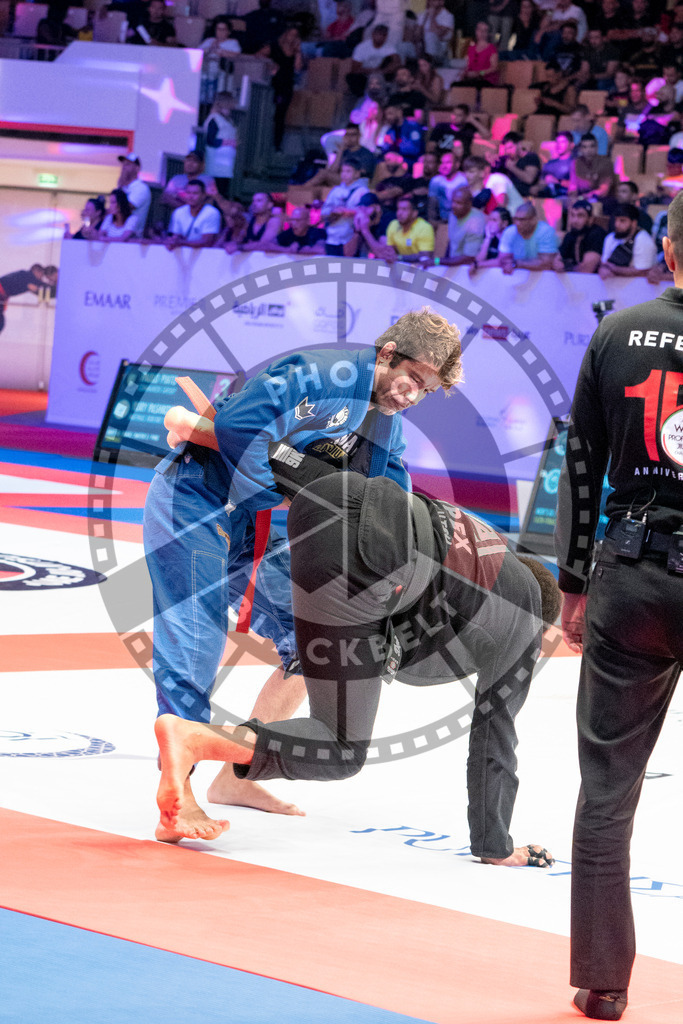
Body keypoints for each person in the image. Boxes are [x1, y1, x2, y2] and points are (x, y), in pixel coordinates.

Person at [144, 310, 463, 840]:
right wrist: (303, 484)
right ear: (386, 353)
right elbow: (234, 427)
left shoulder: (386, 426)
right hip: (195, 499)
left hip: (262, 523)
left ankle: (236, 775)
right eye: (413, 379)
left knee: (310, 642)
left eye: (425, 391)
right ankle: (177, 800)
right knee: (196, 643)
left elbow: (386, 497)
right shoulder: (318, 372)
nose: (412, 395)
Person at [154, 465, 561, 875]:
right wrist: (495, 844)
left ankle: (230, 776)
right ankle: (196, 738)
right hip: (374, 561)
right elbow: (496, 732)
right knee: (342, 747)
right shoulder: (524, 613)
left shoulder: (484, 543)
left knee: (315, 657)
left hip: (325, 505)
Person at [554, 188, 683, 1024]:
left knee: (607, 789)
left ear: (668, 251)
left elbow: (579, 462)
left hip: (632, 575)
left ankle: (603, 983)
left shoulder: (616, 331)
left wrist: (571, 583)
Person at [320, 157, 370, 255]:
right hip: (332, 237)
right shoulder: (336, 190)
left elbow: (365, 212)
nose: (344, 174)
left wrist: (344, 212)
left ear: (357, 173)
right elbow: (324, 212)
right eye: (342, 171)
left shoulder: (363, 191)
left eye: (348, 171)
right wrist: (332, 213)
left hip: (350, 238)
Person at [264, 25, 303, 150]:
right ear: (285, 34)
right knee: (268, 113)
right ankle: (264, 143)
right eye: (291, 34)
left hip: (286, 86)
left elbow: (298, 68)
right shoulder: (274, 46)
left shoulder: (296, 51)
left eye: (295, 35)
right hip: (273, 85)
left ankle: (276, 145)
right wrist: (270, 65)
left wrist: (298, 52)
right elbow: (258, 56)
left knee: (280, 116)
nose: (292, 38)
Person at [598, 202, 657, 279]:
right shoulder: (610, 237)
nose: (617, 224)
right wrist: (603, 270)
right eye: (616, 220)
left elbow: (643, 271)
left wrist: (613, 269)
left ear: (634, 223)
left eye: (622, 221)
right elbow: (604, 264)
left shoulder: (644, 240)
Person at [497, 202, 559, 273]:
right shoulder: (509, 232)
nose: (518, 223)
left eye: (522, 220)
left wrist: (516, 263)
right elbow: (502, 260)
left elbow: (546, 264)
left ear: (533, 220)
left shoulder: (546, 232)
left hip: (545, 279)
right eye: (516, 219)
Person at [164, 180, 222, 250]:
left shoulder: (212, 213)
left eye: (195, 193)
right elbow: (176, 236)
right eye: (188, 193)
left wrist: (180, 242)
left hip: (205, 255)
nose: (191, 196)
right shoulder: (178, 212)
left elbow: (207, 242)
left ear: (203, 195)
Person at [552, 199, 606, 273]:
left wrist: (565, 269)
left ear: (590, 218)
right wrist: (558, 264)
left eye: (580, 216)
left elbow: (587, 268)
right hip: (573, 279)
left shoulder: (597, 234)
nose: (575, 220)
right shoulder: (570, 235)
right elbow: (557, 259)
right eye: (573, 215)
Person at [203, 92, 238, 198]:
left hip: (226, 164)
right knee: (217, 190)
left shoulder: (228, 120)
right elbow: (210, 140)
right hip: (216, 163)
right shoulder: (214, 119)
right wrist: (227, 142)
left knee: (223, 190)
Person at [442, 187, 486, 266]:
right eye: (453, 201)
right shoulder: (453, 214)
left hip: (467, 270)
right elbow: (451, 242)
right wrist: (443, 261)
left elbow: (469, 258)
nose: (453, 206)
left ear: (469, 204)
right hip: (451, 264)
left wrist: (437, 261)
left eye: (458, 203)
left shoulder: (475, 221)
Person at [0, 265, 50, 334]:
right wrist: (52, 285)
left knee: (1, 321)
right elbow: (41, 286)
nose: (41, 277)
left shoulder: (24, 275)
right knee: (1, 322)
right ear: (36, 271)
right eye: (41, 274)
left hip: (2, 295)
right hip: (1, 294)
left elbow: (37, 287)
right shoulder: (29, 276)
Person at [568, 134, 616, 204]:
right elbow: (573, 185)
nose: (588, 150)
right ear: (580, 149)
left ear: (597, 148)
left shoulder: (606, 163)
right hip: (580, 198)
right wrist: (572, 193)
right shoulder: (575, 163)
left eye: (592, 146)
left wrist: (588, 195)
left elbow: (604, 190)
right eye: (585, 147)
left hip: (601, 200)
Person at [386, 194, 435, 261]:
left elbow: (425, 256)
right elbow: (390, 251)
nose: (399, 213)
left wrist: (399, 257)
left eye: (404, 209)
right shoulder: (393, 224)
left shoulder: (424, 227)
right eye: (398, 209)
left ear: (414, 213)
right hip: (400, 266)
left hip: (420, 267)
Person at [493, 133, 542, 198]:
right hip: (508, 194)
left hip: (524, 195)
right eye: (506, 149)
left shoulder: (530, 157)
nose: (508, 152)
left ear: (519, 145)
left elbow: (529, 179)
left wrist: (512, 168)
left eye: (510, 148)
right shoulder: (506, 158)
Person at [377, 103, 425, 169]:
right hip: (392, 159)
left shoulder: (412, 127)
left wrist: (395, 146)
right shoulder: (390, 130)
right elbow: (385, 148)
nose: (388, 117)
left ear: (400, 112)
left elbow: (416, 149)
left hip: (410, 160)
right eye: (386, 115)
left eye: (390, 114)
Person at [350, 191, 396, 258]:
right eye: (361, 208)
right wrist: (357, 231)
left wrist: (365, 231)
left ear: (377, 208)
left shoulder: (387, 220)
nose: (363, 212)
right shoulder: (360, 220)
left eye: (366, 207)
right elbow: (348, 254)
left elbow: (383, 255)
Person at [116, 154, 151, 237]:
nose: (124, 167)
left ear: (137, 168)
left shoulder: (141, 188)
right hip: (117, 233)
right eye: (123, 164)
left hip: (132, 237)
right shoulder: (123, 187)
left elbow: (124, 209)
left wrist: (120, 186)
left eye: (128, 165)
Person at [427, 150, 467, 222]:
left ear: (457, 164)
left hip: (459, 221)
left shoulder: (463, 181)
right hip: (441, 221)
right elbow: (432, 206)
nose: (444, 166)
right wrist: (433, 222)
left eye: (448, 162)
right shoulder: (435, 181)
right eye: (442, 163)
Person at [470, 207, 512, 271]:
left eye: (494, 220)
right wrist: (488, 238)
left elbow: (502, 261)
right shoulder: (488, 236)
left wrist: (479, 265)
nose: (490, 223)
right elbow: (479, 260)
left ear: (504, 223)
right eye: (490, 220)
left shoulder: (510, 238)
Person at [537, 131, 574, 197]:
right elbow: (540, 181)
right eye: (557, 142)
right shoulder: (549, 163)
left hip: (565, 195)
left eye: (562, 142)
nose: (558, 145)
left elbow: (580, 185)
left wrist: (558, 181)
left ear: (571, 145)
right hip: (546, 195)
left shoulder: (575, 162)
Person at [418, 0, 454, 66]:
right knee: (404, 46)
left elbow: (439, 34)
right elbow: (417, 35)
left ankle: (429, 63)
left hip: (440, 50)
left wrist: (432, 18)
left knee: (430, 36)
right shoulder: (422, 15)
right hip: (421, 47)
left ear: (442, 2)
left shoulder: (447, 16)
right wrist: (425, 18)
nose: (431, 1)